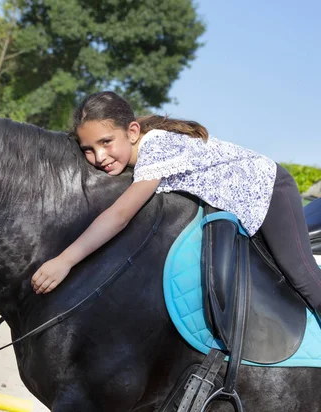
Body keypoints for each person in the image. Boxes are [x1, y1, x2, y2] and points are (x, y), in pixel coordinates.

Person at [30, 91, 321, 317]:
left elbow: (119, 215)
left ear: (132, 132)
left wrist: (65, 260)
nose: (100, 156)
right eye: (89, 150)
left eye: (106, 142)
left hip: (268, 187)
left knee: (301, 274)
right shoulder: (137, 152)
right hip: (238, 198)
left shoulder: (155, 147)